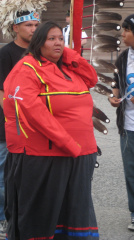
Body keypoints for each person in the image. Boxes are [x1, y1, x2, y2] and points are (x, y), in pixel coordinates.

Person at [3, 21, 99, 240]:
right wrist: (68, 144)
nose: (58, 43)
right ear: (39, 42)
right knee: (43, 216)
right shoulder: (27, 68)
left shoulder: (67, 68)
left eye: (60, 39)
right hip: (47, 157)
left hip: (80, 155)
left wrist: (68, 54)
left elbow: (92, 78)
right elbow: (33, 113)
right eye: (51, 39)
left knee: (74, 213)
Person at [0, 0, 44, 238]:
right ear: (15, 28)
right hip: (11, 125)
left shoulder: (39, 53)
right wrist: (16, 118)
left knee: (27, 173)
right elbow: (0, 91)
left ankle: (17, 216)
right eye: (28, 25)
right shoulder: (5, 54)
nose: (33, 29)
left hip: (35, 125)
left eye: (36, 24)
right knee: (3, 171)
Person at [108, 14, 134, 231]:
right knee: (131, 171)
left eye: (126, 30)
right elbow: (116, 82)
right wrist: (114, 97)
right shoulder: (123, 58)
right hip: (128, 126)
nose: (123, 34)